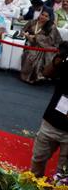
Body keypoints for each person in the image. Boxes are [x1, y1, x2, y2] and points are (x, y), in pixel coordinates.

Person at [30, 41, 68, 178]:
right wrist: (59, 58)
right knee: (37, 160)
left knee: (63, 174)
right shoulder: (66, 58)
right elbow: (46, 73)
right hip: (52, 119)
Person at [21, 10, 62, 84]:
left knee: (40, 54)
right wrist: (25, 35)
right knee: (30, 54)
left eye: (46, 16)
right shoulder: (32, 22)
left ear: (49, 18)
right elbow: (23, 31)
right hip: (30, 44)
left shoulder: (51, 27)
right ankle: (31, 76)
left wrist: (36, 37)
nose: (43, 17)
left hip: (44, 46)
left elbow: (51, 40)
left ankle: (39, 76)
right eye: (42, 14)